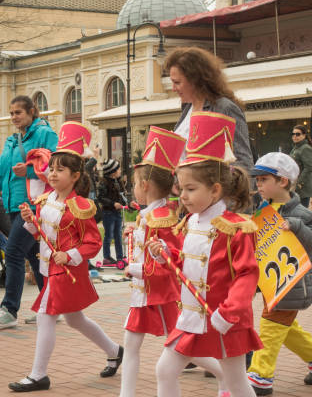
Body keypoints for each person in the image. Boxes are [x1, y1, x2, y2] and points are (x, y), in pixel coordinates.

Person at [150, 112, 263, 397]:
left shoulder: (236, 228)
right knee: (165, 369)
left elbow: (248, 274)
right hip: (190, 316)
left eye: (190, 189)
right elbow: (186, 264)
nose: (183, 196)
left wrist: (230, 312)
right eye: (181, 189)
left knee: (236, 381)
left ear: (214, 190)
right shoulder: (189, 222)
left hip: (223, 318)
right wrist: (167, 255)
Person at [8, 122, 122, 392]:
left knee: (45, 315)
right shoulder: (46, 200)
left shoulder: (82, 206)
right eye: (52, 168)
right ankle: (116, 351)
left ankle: (39, 375)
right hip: (51, 268)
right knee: (74, 319)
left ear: (75, 175)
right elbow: (41, 234)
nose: (53, 173)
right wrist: (29, 221)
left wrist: (69, 255)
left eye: (61, 169)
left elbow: (93, 242)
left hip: (68, 270)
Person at [120, 127, 228, 396]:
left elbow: (168, 264)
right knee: (131, 345)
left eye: (134, 184)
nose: (133, 189)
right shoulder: (151, 215)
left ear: (144, 185)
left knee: (183, 348)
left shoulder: (165, 218)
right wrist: (134, 236)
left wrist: (133, 268)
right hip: (143, 296)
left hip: (162, 296)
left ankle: (228, 375)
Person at [0, 95, 58, 329]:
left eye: (19, 112)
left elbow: (58, 167)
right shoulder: (10, 142)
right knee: (35, 258)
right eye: (12, 113)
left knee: (14, 252)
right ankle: (51, 306)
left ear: (32, 111)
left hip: (35, 207)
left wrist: (27, 172)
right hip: (13, 207)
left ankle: (9, 310)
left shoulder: (45, 134)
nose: (14, 117)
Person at [247, 152, 312, 396]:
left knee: (270, 327)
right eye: (258, 180)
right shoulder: (264, 209)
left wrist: (295, 225)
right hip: (270, 283)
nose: (258, 185)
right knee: (284, 328)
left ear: (283, 181)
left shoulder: (303, 214)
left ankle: (260, 377)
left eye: (263, 179)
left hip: (292, 285)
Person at [165, 46, 253, 170]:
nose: (173, 89)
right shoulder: (187, 108)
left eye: (177, 83)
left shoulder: (225, 108)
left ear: (195, 80)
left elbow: (243, 162)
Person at [97, 158, 128, 266]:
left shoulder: (117, 181)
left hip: (117, 213)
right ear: (113, 171)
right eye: (118, 169)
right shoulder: (104, 183)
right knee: (109, 235)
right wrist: (113, 204)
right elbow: (100, 198)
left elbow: (121, 195)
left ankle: (120, 257)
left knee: (118, 235)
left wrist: (124, 202)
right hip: (108, 213)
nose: (120, 171)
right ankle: (106, 257)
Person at [290, 125, 312, 208]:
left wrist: (299, 183)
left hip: (303, 186)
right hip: (295, 184)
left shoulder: (305, 148)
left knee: (301, 214)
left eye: (298, 134)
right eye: (293, 134)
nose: (295, 136)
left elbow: (309, 168)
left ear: (304, 135)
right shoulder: (295, 148)